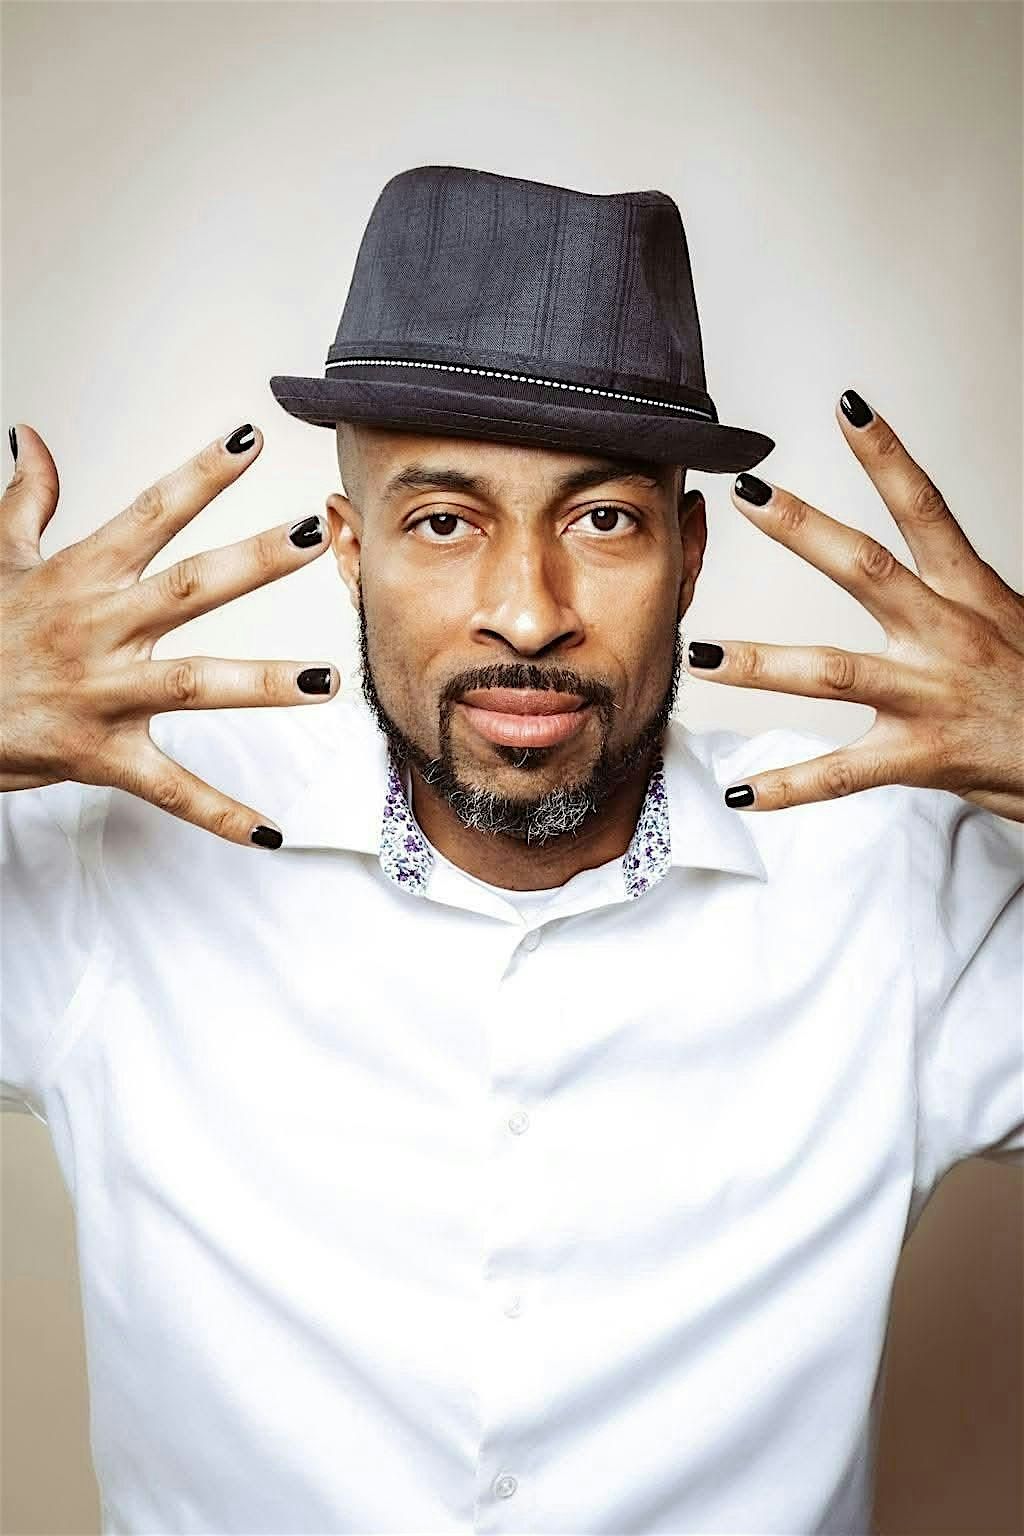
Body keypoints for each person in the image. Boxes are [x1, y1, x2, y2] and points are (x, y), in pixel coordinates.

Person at [2, 165, 1021, 1536]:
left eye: (604, 519)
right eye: (444, 521)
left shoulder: (895, 882)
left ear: (690, 553)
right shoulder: (109, 848)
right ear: (349, 549)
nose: (529, 615)